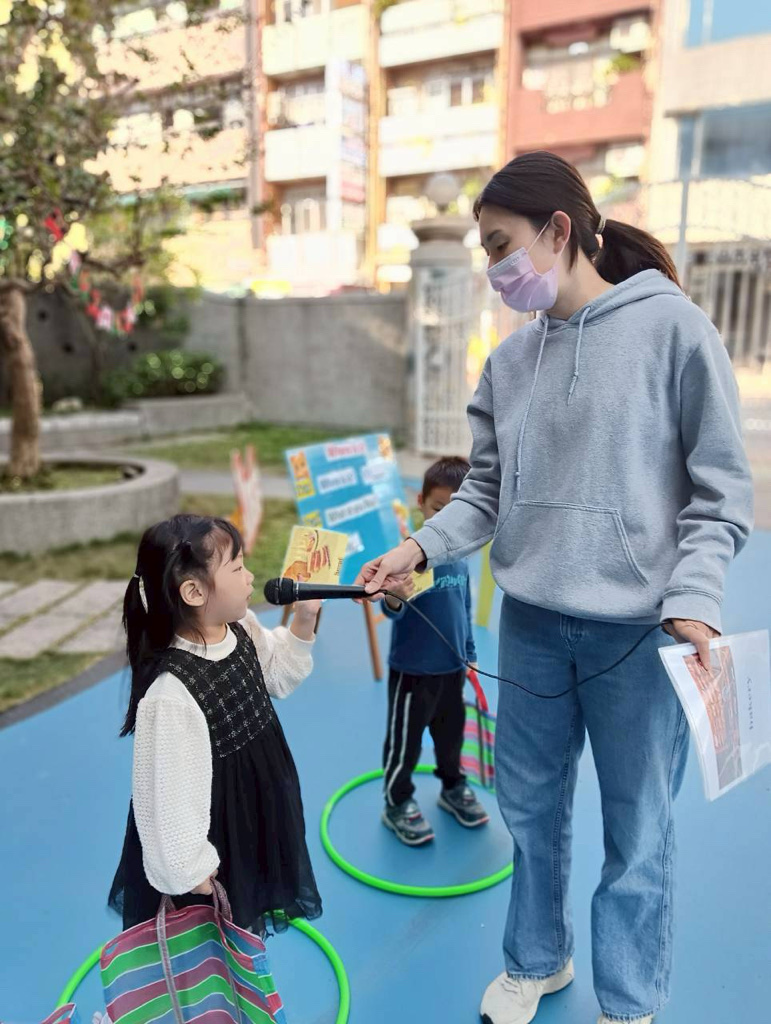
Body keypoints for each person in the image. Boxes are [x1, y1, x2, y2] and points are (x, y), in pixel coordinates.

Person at [356, 151, 753, 1024]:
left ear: (559, 230)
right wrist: (416, 548)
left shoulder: (675, 330)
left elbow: (721, 492)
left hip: (637, 637)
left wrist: (694, 596)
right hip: (531, 628)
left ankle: (629, 999)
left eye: (500, 246)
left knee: (636, 831)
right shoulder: (507, 363)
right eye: (486, 252)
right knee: (528, 812)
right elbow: (483, 493)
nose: (494, 270)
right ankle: (536, 960)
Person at [108, 513, 323, 937]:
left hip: (258, 804)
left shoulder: (240, 627)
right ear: (194, 591)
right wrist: (191, 870)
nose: (251, 576)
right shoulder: (170, 695)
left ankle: (242, 953)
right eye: (238, 568)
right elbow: (167, 796)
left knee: (250, 906)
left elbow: (278, 674)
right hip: (218, 832)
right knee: (216, 930)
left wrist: (303, 618)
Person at [380, 456, 489, 845]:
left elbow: (464, 608)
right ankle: (396, 802)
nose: (443, 519)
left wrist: (469, 652)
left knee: (451, 737)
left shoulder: (459, 557)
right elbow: (390, 610)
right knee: (405, 743)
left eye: (452, 513)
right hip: (413, 672)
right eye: (436, 508)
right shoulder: (407, 557)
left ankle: (453, 787)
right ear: (421, 502)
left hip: (452, 670)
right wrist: (394, 595)